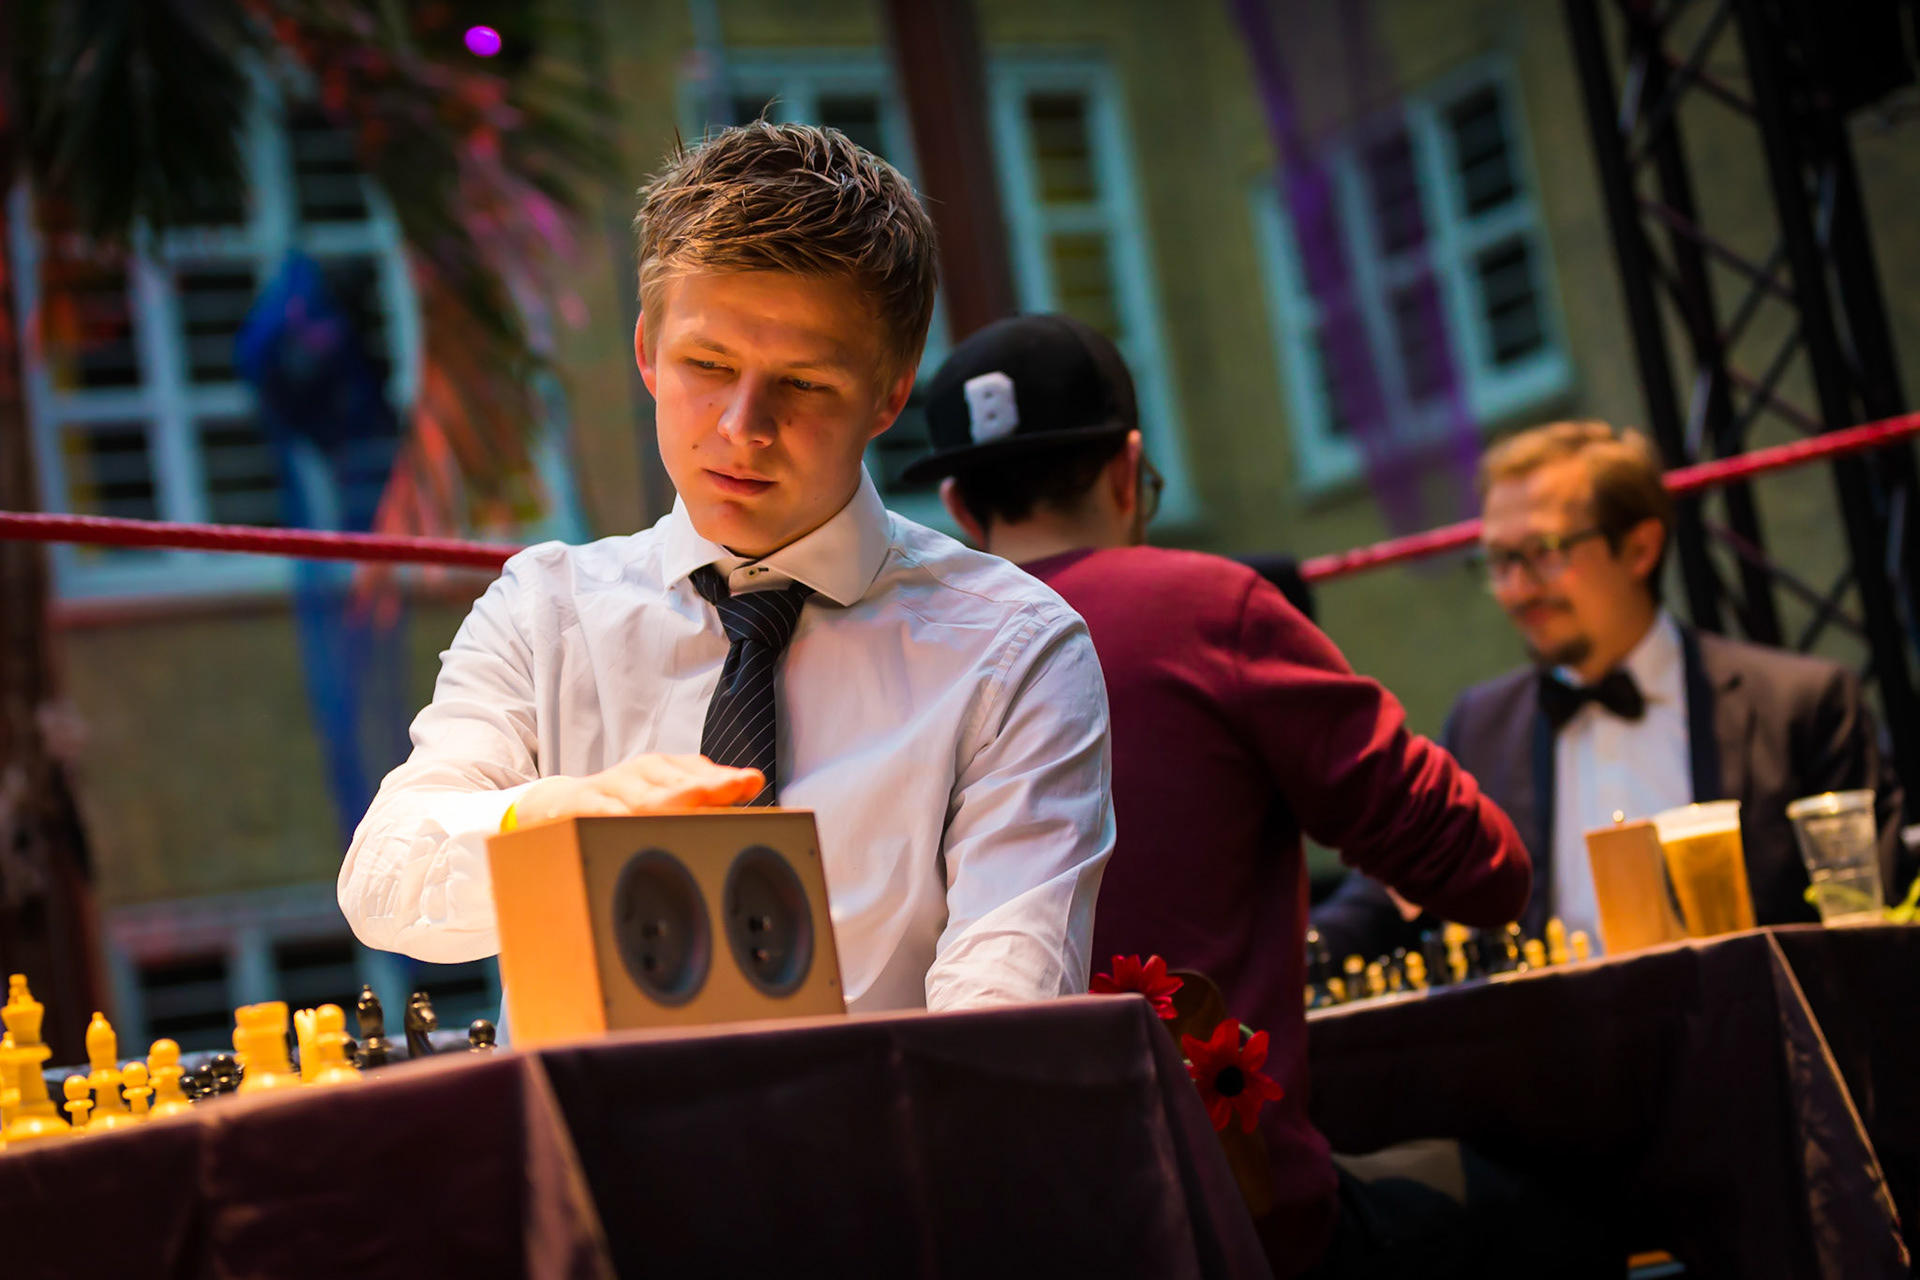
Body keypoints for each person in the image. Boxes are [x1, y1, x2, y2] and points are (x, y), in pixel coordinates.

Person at [338, 123, 1116, 1015]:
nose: (743, 427)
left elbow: (1005, 1013)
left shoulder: (1013, 650)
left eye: (805, 383)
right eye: (706, 365)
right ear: (646, 351)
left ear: (891, 393)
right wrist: (566, 821)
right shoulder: (543, 611)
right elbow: (383, 881)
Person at [902, 314, 1599, 1280]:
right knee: (1563, 1215)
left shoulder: (911, 668)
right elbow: (1486, 873)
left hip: (1015, 1233)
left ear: (959, 508)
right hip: (1246, 1230)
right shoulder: (1210, 609)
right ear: (1128, 471)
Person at [1313, 420, 1909, 960]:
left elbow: (1874, 926)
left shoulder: (1799, 704)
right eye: (1499, 561)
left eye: (1544, 553)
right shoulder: (1481, 725)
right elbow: (1385, 896)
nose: (1518, 589)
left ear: (1641, 548)